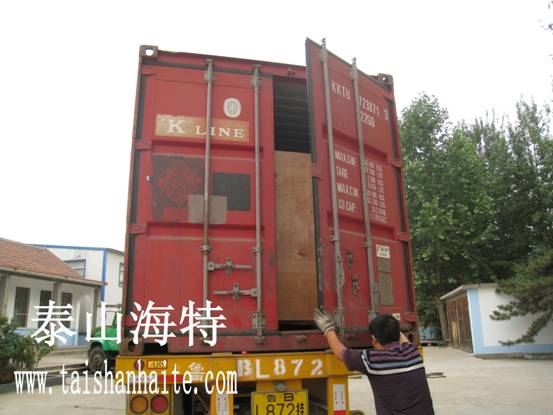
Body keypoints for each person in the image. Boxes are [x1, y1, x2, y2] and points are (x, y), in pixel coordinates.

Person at [314, 309, 435, 415]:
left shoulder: (373, 361)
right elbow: (401, 338)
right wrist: (390, 327)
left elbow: (340, 352)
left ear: (374, 341)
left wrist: (327, 327)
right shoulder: (413, 353)